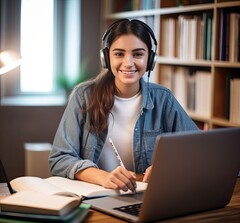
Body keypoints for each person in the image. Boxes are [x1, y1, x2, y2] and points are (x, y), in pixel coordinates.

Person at [49, 19, 199, 193]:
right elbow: (59, 159)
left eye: (137, 54)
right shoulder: (83, 96)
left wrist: (169, 166)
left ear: (150, 59)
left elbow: (197, 152)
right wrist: (103, 177)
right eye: (119, 54)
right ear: (106, 58)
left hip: (146, 197)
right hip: (96, 198)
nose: (128, 63)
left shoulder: (163, 99)